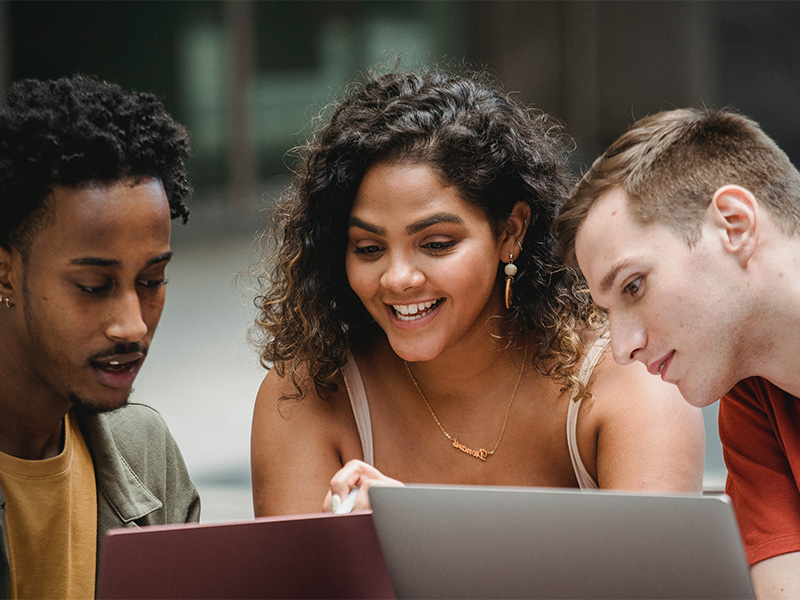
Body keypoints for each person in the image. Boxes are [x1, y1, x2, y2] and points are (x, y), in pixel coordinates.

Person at [250, 68, 704, 520]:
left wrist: (423, 533)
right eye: (369, 249)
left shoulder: (626, 379)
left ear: (510, 232)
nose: (398, 278)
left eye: (436, 244)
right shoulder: (307, 394)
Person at [553, 107, 800, 598]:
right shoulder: (751, 396)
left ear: (733, 224)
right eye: (605, 311)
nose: (622, 349)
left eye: (634, 286)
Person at [0, 75, 200, 598]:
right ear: (4, 275)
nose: (132, 325)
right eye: (94, 286)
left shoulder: (145, 451)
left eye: (152, 281)